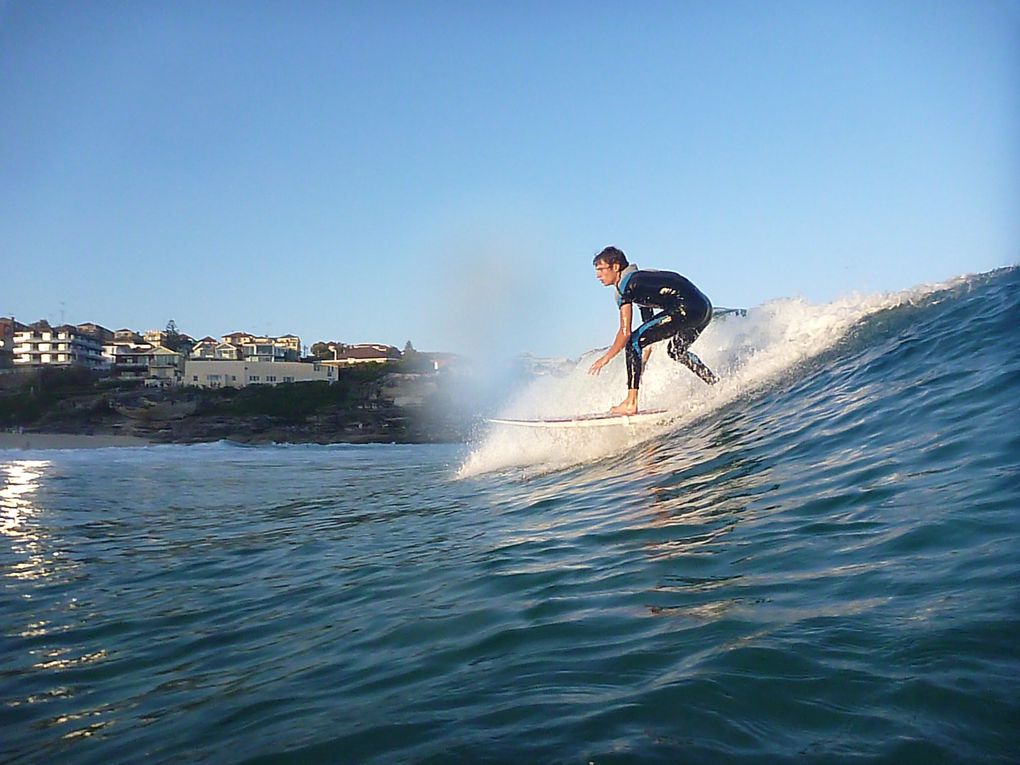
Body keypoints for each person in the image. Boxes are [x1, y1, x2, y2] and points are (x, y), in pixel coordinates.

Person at [588, 246, 718, 415]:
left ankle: (630, 403)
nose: (598, 275)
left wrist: (605, 358)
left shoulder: (625, 286)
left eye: (601, 270)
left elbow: (625, 332)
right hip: (704, 308)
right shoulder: (640, 280)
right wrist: (640, 366)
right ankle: (714, 382)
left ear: (615, 267)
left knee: (632, 341)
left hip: (685, 307)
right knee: (675, 351)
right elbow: (648, 333)